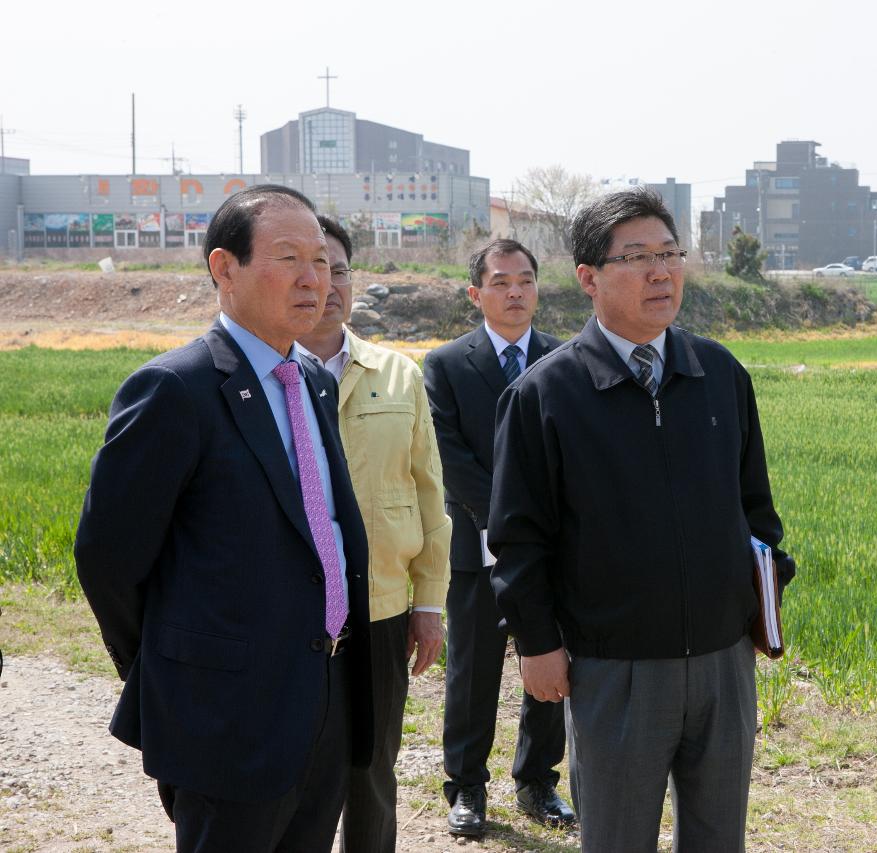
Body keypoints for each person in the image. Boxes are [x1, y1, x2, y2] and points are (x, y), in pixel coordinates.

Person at [488, 188, 796, 852]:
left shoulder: (718, 374)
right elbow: (517, 538)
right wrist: (537, 643)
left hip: (722, 664)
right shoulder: (546, 394)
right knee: (619, 838)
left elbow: (756, 510)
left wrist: (756, 603)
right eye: (638, 257)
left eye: (669, 253)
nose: (661, 272)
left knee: (719, 838)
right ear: (589, 277)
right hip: (614, 668)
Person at [74, 184, 373, 852]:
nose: (312, 278)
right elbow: (108, 558)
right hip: (226, 717)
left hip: (322, 700)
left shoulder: (314, 382)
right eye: (289, 256)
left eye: (323, 261)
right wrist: (173, 673)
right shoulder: (176, 390)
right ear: (223, 268)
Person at [296, 215, 452, 852]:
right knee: (295, 769)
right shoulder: (262, 378)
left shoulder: (398, 374)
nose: (327, 284)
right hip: (294, 614)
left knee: (372, 769)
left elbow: (428, 494)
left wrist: (431, 603)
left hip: (382, 605)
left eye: (338, 269)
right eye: (311, 268)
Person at [422, 238, 571, 837]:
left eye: (527, 281)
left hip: (550, 549)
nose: (516, 292)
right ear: (475, 292)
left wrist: (538, 530)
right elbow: (448, 455)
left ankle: (538, 781)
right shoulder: (447, 364)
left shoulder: (564, 361)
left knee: (549, 661)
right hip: (475, 541)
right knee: (474, 670)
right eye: (503, 281)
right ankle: (466, 787)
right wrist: (509, 521)